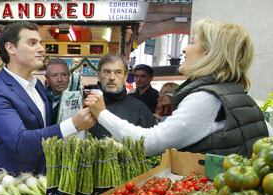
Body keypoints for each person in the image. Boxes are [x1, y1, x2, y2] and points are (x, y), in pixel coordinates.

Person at [85, 19, 272, 158]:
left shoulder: (206, 99)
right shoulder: (237, 94)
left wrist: (102, 113)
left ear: (209, 53)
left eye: (192, 42)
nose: (184, 49)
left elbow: (148, 144)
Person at [0, 21, 95, 175]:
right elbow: (20, 142)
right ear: (11, 48)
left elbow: (43, 128)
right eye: (32, 43)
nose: (41, 49)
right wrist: (73, 124)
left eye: (40, 43)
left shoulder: (38, 86)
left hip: (43, 178)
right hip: (13, 187)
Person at [89, 54, 156, 139]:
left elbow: (151, 144)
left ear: (125, 76)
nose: (112, 77)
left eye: (118, 72)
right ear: (99, 75)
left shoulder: (140, 110)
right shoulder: (85, 107)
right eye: (107, 72)